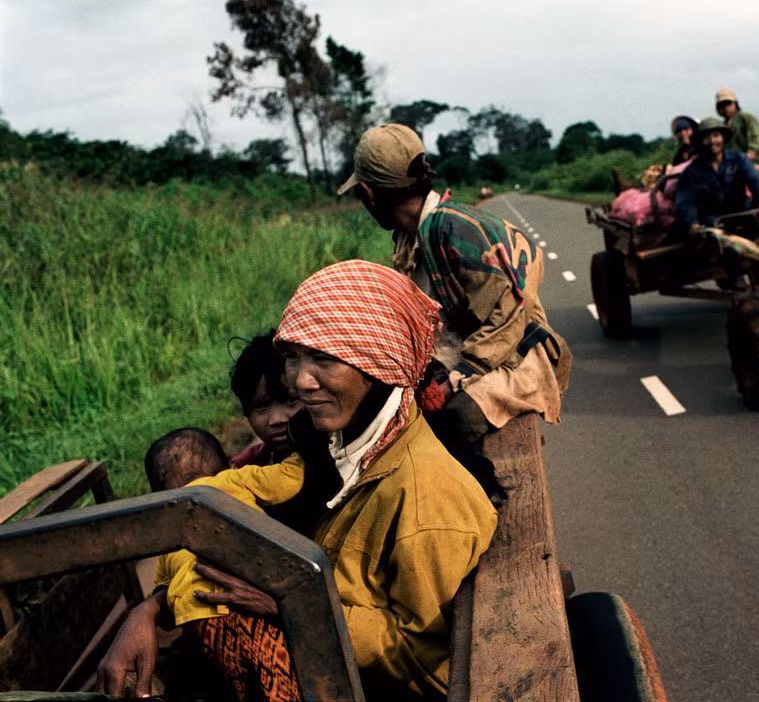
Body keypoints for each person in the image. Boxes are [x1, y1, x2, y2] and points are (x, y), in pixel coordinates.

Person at [99, 260, 498, 701]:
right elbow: (224, 492)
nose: (302, 382)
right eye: (293, 356)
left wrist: (291, 605)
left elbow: (425, 658)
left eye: (324, 358)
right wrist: (150, 608)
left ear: (380, 362)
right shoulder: (335, 447)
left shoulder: (426, 498)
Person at [338, 124, 571, 489]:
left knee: (452, 423)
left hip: (513, 356)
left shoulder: (454, 231)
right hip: (467, 351)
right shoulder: (413, 236)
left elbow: (508, 321)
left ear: (368, 194)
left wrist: (452, 382)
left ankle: (478, 504)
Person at [145, 427, 307, 628]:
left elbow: (162, 586)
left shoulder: (169, 525)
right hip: (250, 594)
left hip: (197, 613)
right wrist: (304, 451)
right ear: (228, 466)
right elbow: (289, 479)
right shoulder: (232, 479)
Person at [674, 116, 759, 231]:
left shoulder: (738, 159)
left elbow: (754, 180)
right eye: (706, 138)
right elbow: (686, 202)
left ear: (723, 138)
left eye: (716, 135)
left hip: (743, 215)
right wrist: (692, 223)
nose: (712, 141)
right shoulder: (691, 172)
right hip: (712, 224)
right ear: (700, 142)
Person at [228, 329, 302, 467]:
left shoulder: (342, 458)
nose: (277, 419)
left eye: (290, 400)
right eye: (261, 406)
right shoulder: (245, 468)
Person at [715, 87, 759, 162]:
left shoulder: (745, 117)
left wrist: (749, 155)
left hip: (753, 162)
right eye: (722, 105)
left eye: (728, 103)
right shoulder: (722, 126)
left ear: (735, 104)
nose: (725, 107)